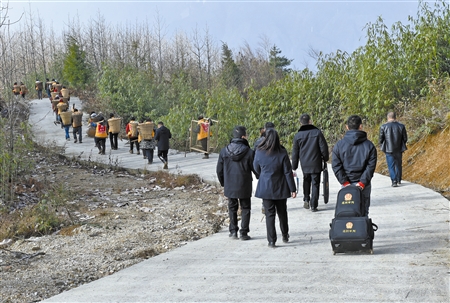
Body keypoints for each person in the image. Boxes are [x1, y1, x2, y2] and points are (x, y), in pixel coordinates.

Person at [253, 128, 297, 248]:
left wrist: (262, 175)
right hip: (280, 186)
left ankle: (271, 241)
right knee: (282, 212)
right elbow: (288, 172)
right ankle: (285, 235)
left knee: (269, 214)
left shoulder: (259, 151)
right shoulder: (282, 152)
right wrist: (293, 189)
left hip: (265, 187)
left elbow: (256, 168)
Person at [216, 126, 258, 241]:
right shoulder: (249, 152)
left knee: (232, 207)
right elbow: (255, 169)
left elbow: (219, 170)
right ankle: (244, 233)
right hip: (244, 184)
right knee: (246, 208)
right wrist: (259, 176)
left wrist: (224, 182)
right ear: (243, 136)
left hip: (230, 184)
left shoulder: (224, 151)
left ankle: (233, 231)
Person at [332, 115, 377, 216]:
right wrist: (362, 183)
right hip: (363, 184)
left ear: (347, 127)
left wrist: (344, 182)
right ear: (360, 126)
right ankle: (363, 230)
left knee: (347, 211)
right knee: (364, 211)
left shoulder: (339, 145)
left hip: (346, 184)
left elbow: (336, 165)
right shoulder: (369, 146)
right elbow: (370, 166)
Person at [291, 114, 329, 212]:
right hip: (316, 162)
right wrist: (325, 158)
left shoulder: (298, 136)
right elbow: (323, 147)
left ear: (301, 123)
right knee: (315, 183)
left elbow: (295, 152)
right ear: (310, 121)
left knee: (306, 180)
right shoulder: (317, 133)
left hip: (305, 163)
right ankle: (314, 205)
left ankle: (306, 198)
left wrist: (294, 166)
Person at [379, 111, 408, 187]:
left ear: (388, 117)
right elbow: (405, 138)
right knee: (398, 164)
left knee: (391, 165)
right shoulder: (401, 126)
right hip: (399, 148)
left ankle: (394, 180)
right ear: (395, 117)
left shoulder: (383, 127)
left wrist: (382, 144)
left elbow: (381, 139)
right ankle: (398, 179)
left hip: (389, 149)